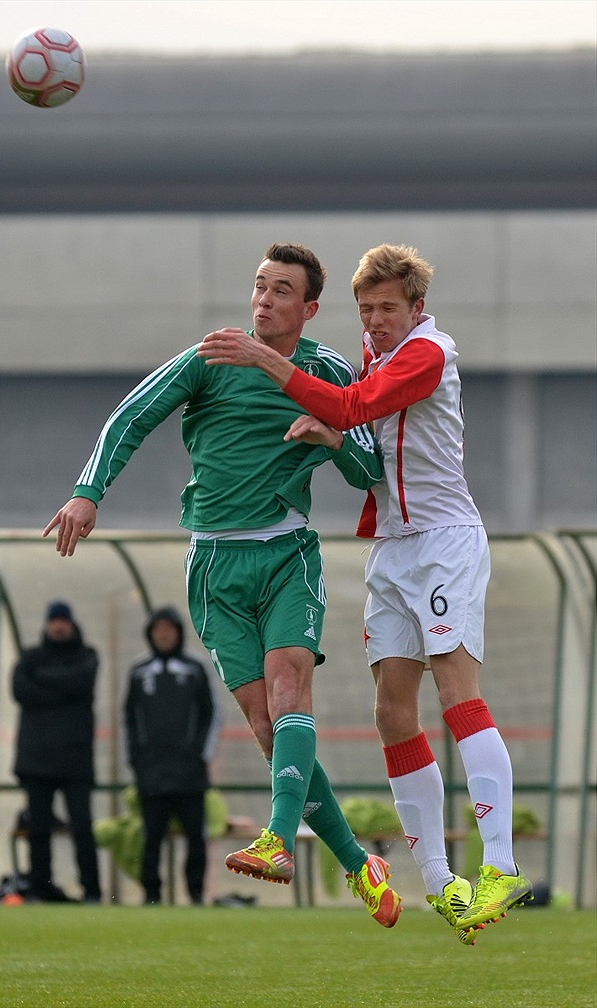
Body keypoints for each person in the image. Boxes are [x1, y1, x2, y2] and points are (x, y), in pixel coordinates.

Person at [43, 242, 402, 928]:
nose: (265, 300)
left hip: (286, 554)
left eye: (281, 290)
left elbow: (371, 473)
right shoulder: (214, 355)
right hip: (213, 566)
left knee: (290, 689)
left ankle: (277, 841)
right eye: (260, 287)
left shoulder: (326, 369)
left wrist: (333, 438)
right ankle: (360, 865)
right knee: (269, 727)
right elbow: (131, 416)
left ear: (309, 307)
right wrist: (88, 493)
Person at [197, 242, 533, 944]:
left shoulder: (427, 352)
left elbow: (355, 405)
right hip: (394, 549)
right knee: (390, 712)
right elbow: (363, 448)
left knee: (457, 694)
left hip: (443, 541)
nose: (376, 320)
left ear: (416, 307)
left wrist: (273, 364)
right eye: (367, 309)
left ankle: (500, 865)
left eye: (388, 308)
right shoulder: (376, 354)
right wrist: (330, 438)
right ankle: (442, 883)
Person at [125, 606, 220, 905]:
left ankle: (195, 893)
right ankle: (151, 894)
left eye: (169, 629)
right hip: (151, 772)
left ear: (178, 633)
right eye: (158, 629)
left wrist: (200, 755)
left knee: (195, 837)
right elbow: (127, 719)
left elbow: (211, 714)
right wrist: (136, 760)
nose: (163, 634)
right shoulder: (138, 672)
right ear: (150, 634)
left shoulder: (195, 669)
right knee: (151, 837)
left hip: (189, 772)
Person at [12, 600, 101, 903]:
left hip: (75, 759)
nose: (59, 625)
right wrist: (64, 689)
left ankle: (91, 891)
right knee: (39, 830)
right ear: (47, 624)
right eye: (55, 620)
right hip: (36, 760)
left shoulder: (87, 656)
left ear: (71, 623)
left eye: (64, 619)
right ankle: (40, 890)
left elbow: (81, 682)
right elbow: (19, 690)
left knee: (82, 828)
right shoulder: (30, 656)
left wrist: (43, 680)